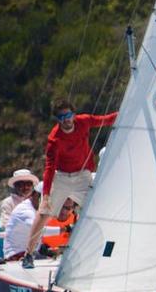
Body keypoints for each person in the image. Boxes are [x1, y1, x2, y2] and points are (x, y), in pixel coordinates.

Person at [22, 101, 117, 269]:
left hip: (82, 176)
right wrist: (46, 196)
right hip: (62, 177)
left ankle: (103, 253)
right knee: (44, 213)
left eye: (69, 115)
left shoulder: (84, 121)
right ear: (58, 119)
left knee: (100, 207)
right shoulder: (54, 138)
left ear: (74, 114)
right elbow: (49, 168)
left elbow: (106, 119)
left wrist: (131, 111)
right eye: (62, 117)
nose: (67, 120)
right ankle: (28, 255)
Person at [3, 184, 41, 261]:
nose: (25, 187)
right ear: (34, 195)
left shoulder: (34, 207)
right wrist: (63, 229)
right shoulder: (24, 210)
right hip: (17, 254)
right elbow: (37, 229)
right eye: (21, 184)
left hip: (31, 250)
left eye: (28, 183)